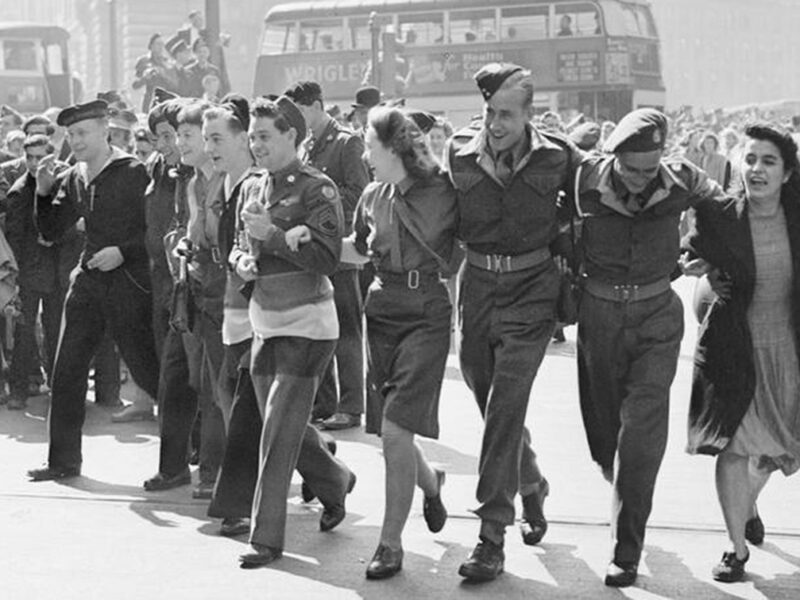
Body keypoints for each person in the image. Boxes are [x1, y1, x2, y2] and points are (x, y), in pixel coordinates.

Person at [572, 108, 729, 587]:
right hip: (597, 317)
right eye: (632, 169)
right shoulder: (582, 178)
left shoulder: (681, 179)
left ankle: (627, 549)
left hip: (657, 317)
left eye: (650, 169)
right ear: (614, 156)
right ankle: (617, 478)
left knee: (641, 432)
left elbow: (725, 209)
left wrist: (711, 251)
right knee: (605, 438)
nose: (642, 180)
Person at [444, 63, 579, 582]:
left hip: (531, 294)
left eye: (506, 115)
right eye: (488, 113)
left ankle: (491, 535)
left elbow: (598, 193)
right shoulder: (457, 152)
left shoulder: (558, 156)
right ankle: (530, 479)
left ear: (529, 115)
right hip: (476, 290)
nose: (495, 124)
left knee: (505, 406)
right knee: (486, 395)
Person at [230, 96, 356, 568]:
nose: (256, 145)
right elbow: (240, 249)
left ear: (291, 136)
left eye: (265, 136)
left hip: (309, 325)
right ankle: (335, 479)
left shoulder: (317, 190)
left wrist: (275, 237)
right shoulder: (251, 188)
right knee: (282, 425)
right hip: (266, 321)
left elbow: (328, 259)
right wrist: (242, 260)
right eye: (253, 136)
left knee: (279, 431)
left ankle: (266, 537)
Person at [337, 106, 455, 579]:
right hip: (382, 308)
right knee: (393, 429)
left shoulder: (444, 190)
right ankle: (431, 483)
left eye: (369, 145)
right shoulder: (372, 194)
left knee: (394, 431)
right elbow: (356, 251)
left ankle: (390, 544)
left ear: (393, 148)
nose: (365, 154)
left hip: (427, 310)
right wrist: (300, 244)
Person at [681, 123, 800, 583]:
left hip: (789, 353)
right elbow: (690, 257)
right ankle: (735, 548)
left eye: (769, 161)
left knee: (777, 450)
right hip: (736, 349)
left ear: (788, 173)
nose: (756, 169)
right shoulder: (718, 215)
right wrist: (706, 274)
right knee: (733, 448)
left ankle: (749, 501)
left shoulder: (797, 216)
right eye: (750, 160)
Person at [26, 100, 160, 481]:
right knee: (66, 372)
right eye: (70, 135)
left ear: (106, 131)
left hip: (128, 283)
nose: (76, 141)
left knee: (148, 371)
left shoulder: (133, 173)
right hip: (88, 283)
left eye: (82, 133)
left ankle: (202, 445)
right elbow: (50, 231)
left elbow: (153, 231)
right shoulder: (73, 176)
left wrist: (123, 252)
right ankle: (63, 461)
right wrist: (43, 191)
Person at [143, 99, 228, 500]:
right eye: (178, 135)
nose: (179, 142)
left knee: (222, 389)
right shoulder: (190, 181)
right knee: (177, 377)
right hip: (189, 290)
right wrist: (181, 245)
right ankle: (173, 467)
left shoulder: (232, 180)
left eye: (186, 135)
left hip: (224, 293)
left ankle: (212, 473)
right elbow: (189, 231)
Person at [285, 80, 370, 430]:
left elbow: (360, 192)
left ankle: (352, 406)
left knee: (347, 328)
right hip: (314, 248)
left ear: (318, 105)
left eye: (302, 110)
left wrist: (320, 202)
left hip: (341, 245)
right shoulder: (306, 147)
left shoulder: (347, 142)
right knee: (321, 325)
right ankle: (325, 402)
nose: (298, 118)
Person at [5, 135, 83, 410]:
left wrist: (56, 238)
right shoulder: (19, 190)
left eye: (41, 157)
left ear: (52, 156)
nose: (35, 163)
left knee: (57, 333)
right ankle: (18, 390)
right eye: (30, 157)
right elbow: (14, 236)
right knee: (25, 335)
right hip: (31, 274)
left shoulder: (63, 183)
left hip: (60, 271)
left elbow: (75, 225)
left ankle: (60, 389)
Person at [132, 33, 178, 112]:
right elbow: (134, 85)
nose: (160, 47)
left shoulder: (168, 63)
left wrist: (164, 75)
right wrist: (145, 78)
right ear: (151, 46)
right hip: (149, 100)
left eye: (162, 44)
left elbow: (175, 84)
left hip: (165, 101)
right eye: (158, 44)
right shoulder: (144, 61)